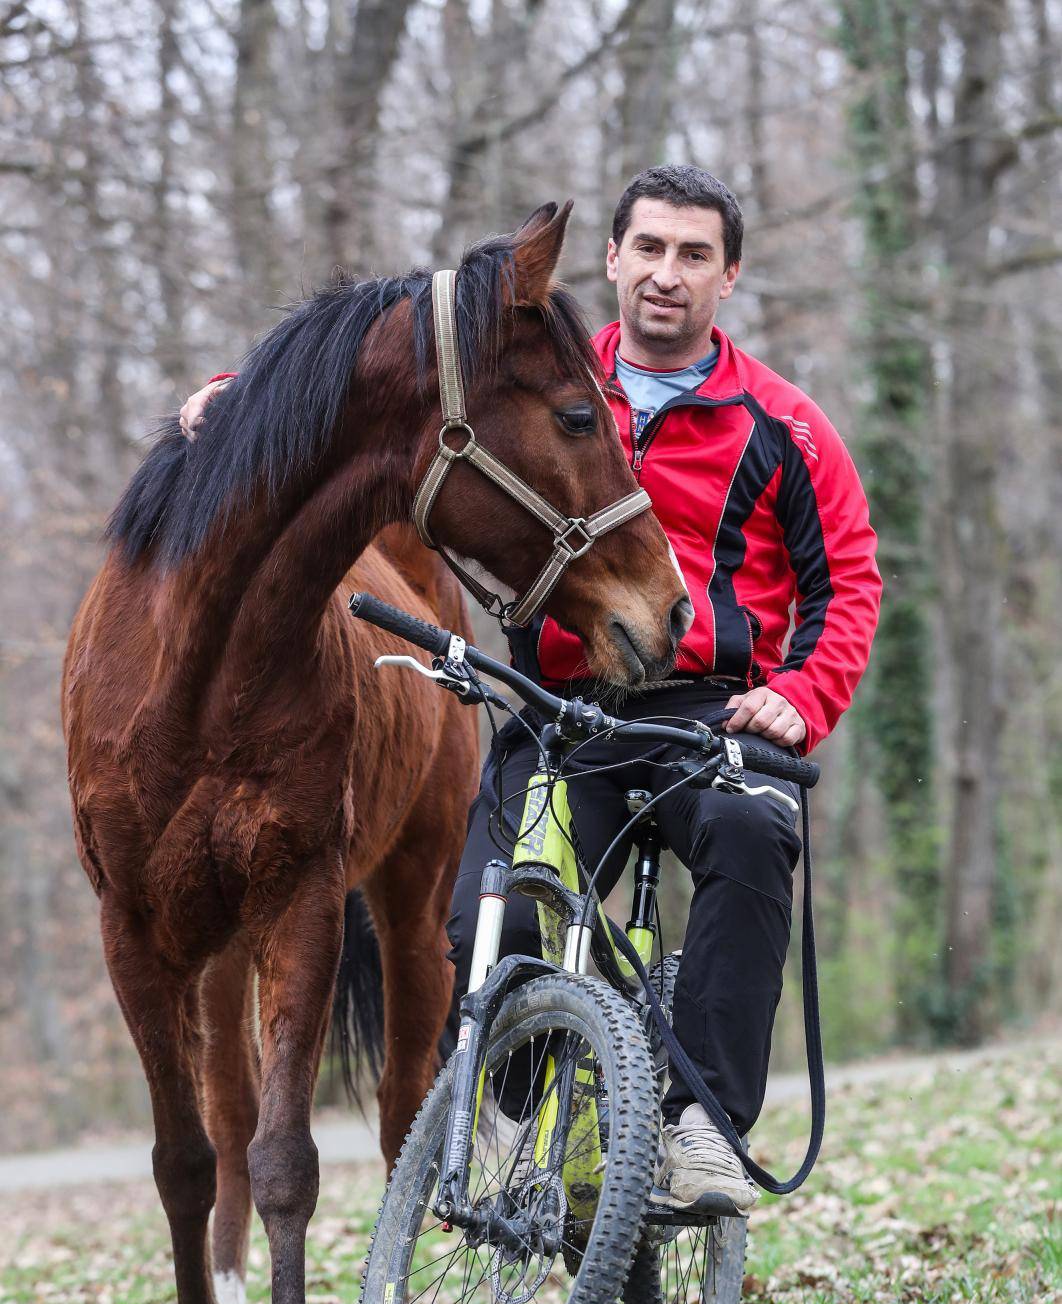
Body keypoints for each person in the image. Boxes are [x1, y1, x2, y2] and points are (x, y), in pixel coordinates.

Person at [179, 165, 881, 1213]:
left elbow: (851, 581)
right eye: (648, 248)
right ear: (611, 258)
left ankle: (702, 1136)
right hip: (566, 714)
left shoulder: (788, 425)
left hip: (716, 717)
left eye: (695, 255)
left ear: (729, 278)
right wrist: (243, 400)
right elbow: (379, 393)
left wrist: (802, 696)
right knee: (488, 909)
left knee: (748, 842)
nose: (666, 274)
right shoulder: (539, 380)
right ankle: (506, 1126)